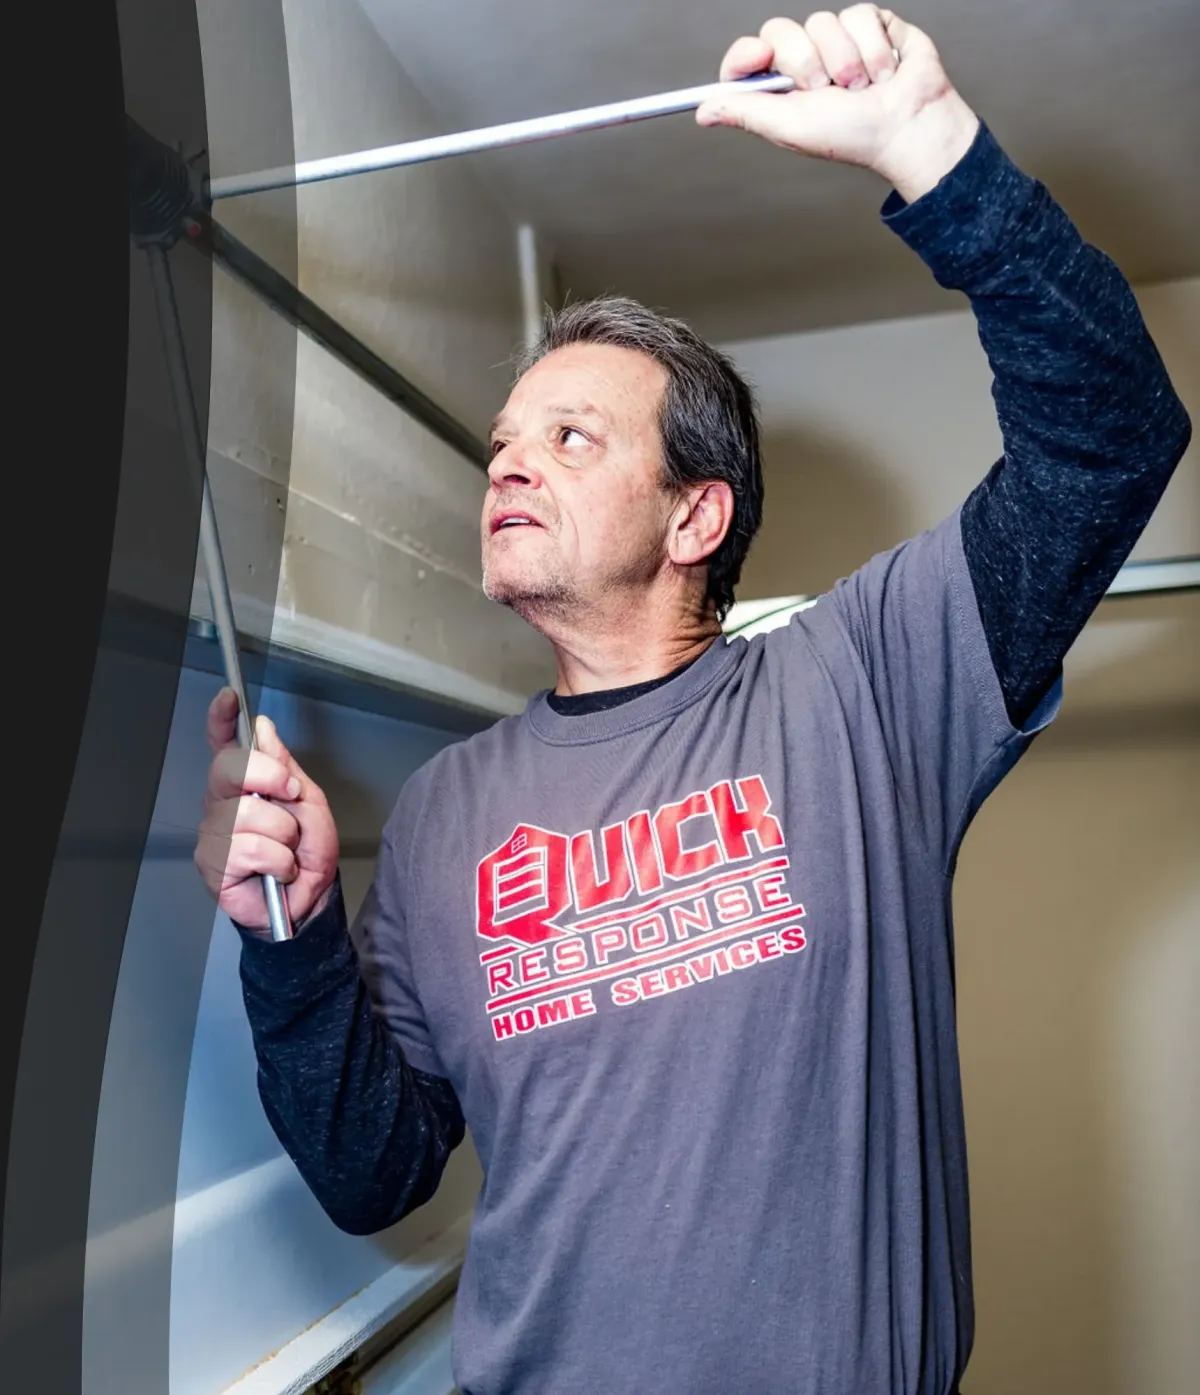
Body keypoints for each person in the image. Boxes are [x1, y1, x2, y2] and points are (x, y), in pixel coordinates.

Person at [194, 9, 1191, 1393]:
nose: (509, 463)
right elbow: (374, 1171)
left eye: (570, 436)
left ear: (695, 515)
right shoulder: (441, 814)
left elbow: (1113, 438)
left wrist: (933, 154)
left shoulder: (866, 684)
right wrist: (287, 938)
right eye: (504, 442)